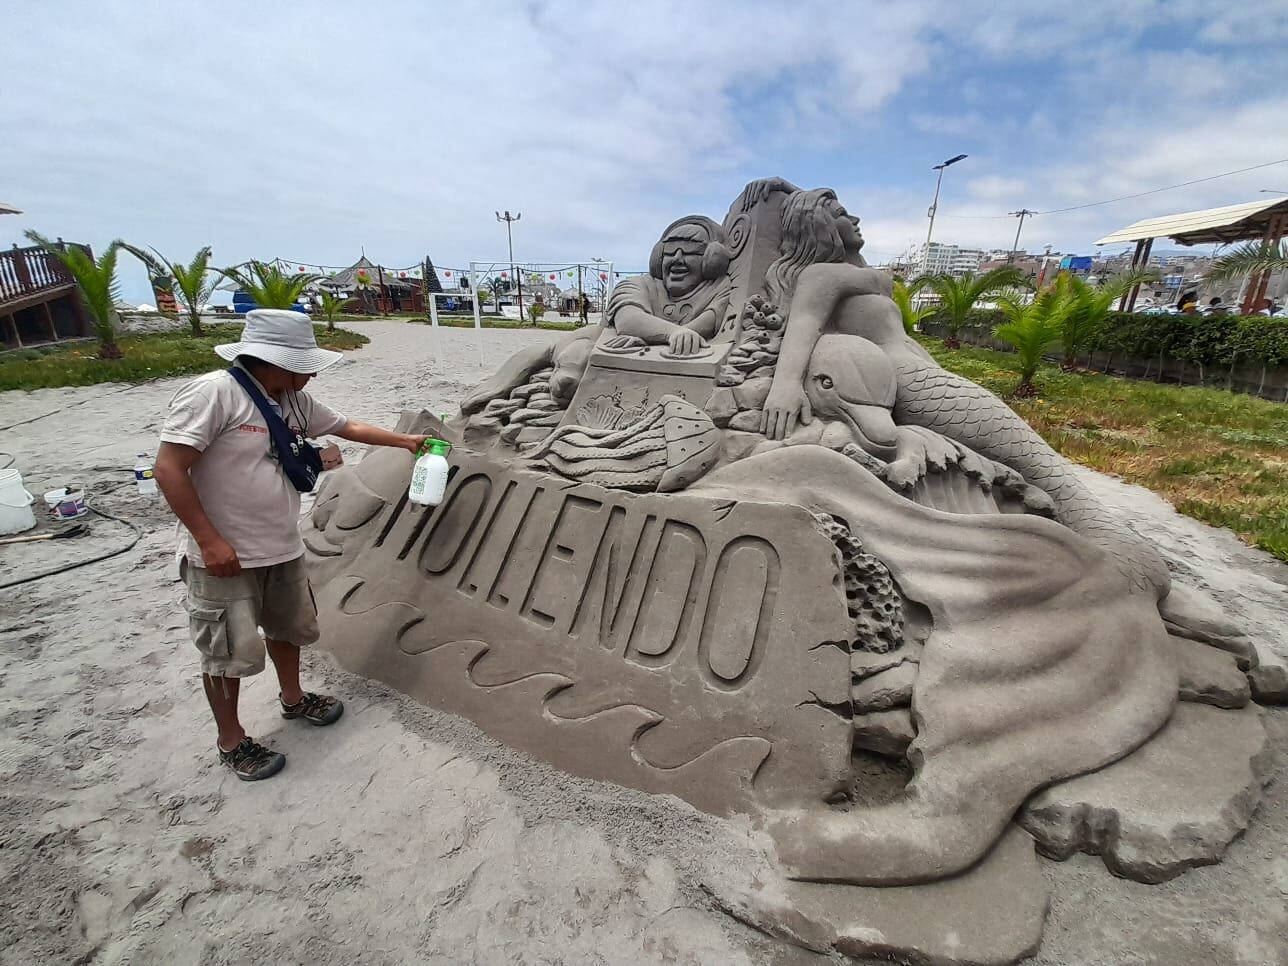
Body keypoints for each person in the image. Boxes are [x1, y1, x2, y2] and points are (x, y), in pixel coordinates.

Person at [155, 310, 430, 781]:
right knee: (225, 650)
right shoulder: (215, 394)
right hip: (224, 555)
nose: (313, 373)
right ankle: (232, 740)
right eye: (305, 364)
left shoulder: (293, 400)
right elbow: (168, 468)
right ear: (276, 362)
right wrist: (209, 540)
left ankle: (293, 697)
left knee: (287, 629)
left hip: (281, 545)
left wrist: (406, 441)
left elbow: (349, 428)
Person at [603, 215, 733, 357]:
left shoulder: (719, 288)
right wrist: (673, 333)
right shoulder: (638, 285)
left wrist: (649, 337)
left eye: (690, 252)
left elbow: (704, 326)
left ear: (711, 259)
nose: (677, 259)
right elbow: (628, 319)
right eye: (670, 252)